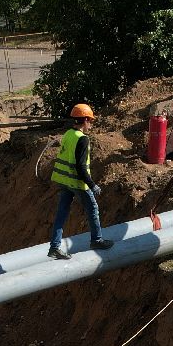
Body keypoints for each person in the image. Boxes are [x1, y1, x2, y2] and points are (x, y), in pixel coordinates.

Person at [46, 104, 114, 260]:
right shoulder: (82, 139)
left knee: (61, 214)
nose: (91, 124)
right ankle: (97, 240)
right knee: (93, 209)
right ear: (84, 120)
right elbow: (81, 166)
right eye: (90, 120)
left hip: (64, 181)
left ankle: (54, 247)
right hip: (77, 182)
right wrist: (92, 185)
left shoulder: (68, 134)